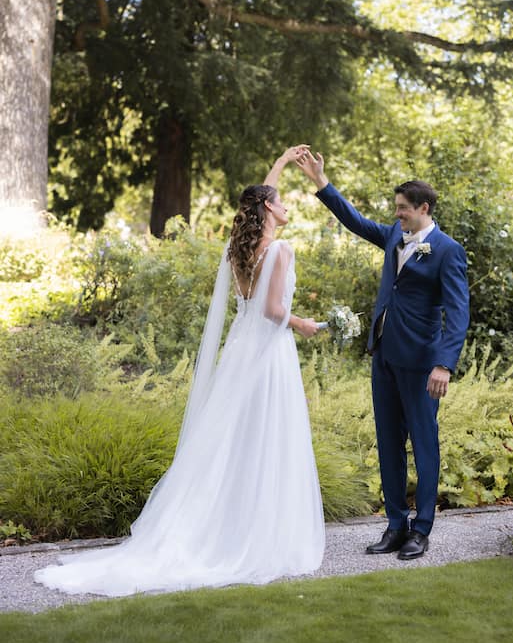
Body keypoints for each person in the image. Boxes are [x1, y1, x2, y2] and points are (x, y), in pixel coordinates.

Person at [34, 147, 324, 597]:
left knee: (232, 439)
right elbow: (272, 310)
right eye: (280, 202)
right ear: (268, 208)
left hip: (240, 349)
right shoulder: (280, 249)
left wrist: (283, 164)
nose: (286, 205)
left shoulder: (239, 249)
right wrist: (303, 323)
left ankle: (222, 522)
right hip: (269, 352)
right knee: (264, 436)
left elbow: (261, 202)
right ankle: (254, 530)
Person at [297, 150, 469, 560]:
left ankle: (421, 530)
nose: (397, 216)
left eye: (403, 210)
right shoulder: (394, 236)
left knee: (424, 446)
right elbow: (355, 221)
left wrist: (444, 364)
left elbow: (459, 313)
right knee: (389, 443)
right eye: (395, 210)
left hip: (422, 364)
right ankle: (395, 525)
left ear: (423, 209)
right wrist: (322, 183)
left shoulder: (447, 250)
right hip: (385, 358)